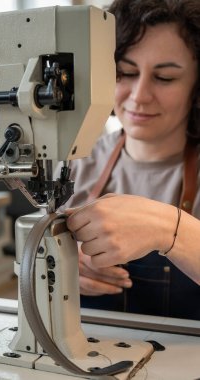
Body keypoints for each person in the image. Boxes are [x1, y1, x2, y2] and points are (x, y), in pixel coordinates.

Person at [61, 0, 200, 320]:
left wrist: (170, 230)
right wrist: (65, 267)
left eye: (164, 77)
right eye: (125, 73)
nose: (139, 96)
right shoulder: (77, 161)